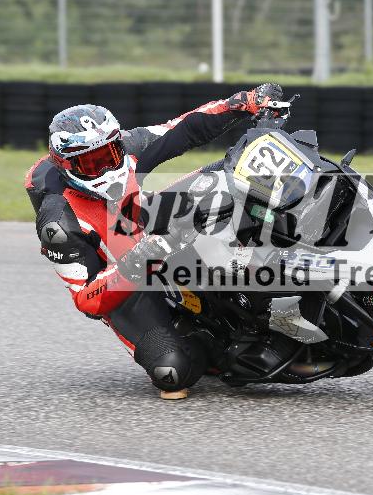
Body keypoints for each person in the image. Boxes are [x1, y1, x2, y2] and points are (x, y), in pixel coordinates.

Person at [25, 83, 283, 399]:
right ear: (67, 166)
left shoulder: (129, 148)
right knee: (173, 372)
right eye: (92, 163)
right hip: (124, 282)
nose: (107, 166)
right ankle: (211, 340)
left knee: (232, 177)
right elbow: (87, 300)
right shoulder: (58, 222)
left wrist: (242, 103)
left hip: (149, 226)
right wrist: (138, 260)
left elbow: (185, 128)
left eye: (110, 153)